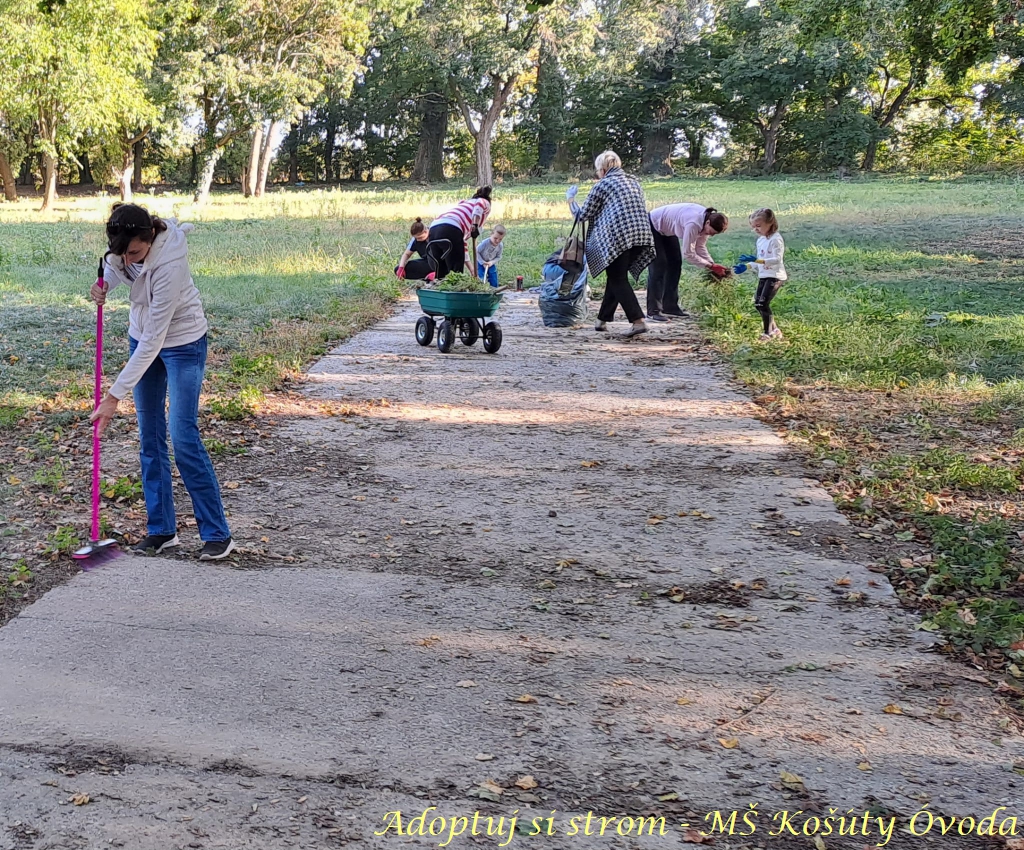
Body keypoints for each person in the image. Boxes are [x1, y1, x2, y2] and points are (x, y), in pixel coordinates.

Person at [89, 203, 236, 561]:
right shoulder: (121, 253)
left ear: (150, 236)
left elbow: (156, 338)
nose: (128, 259)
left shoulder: (171, 262)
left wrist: (113, 396)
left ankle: (217, 533)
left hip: (182, 342)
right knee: (149, 437)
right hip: (142, 338)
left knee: (183, 436)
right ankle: (161, 530)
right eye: (121, 252)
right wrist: (102, 284)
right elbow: (111, 269)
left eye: (135, 252)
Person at [567, 151, 654, 338]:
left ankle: (638, 321)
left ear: (603, 169)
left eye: (598, 170)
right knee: (616, 276)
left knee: (617, 279)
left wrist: (570, 200)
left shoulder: (604, 184)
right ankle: (601, 320)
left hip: (618, 237)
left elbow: (582, 216)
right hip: (641, 235)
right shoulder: (634, 182)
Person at [647, 204, 729, 322]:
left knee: (675, 263)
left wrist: (712, 264)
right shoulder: (694, 223)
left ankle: (670, 306)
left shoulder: (706, 222)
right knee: (659, 266)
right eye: (711, 232)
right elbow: (688, 254)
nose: (711, 235)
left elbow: (700, 247)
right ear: (707, 224)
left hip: (666, 230)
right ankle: (653, 311)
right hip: (653, 224)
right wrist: (710, 266)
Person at [733, 208, 788, 341]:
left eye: (758, 226)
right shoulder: (761, 240)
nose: (756, 230)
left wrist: (757, 260)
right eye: (753, 227)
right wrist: (746, 266)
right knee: (758, 303)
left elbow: (776, 260)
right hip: (764, 275)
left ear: (770, 223)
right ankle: (774, 329)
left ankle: (767, 333)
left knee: (763, 303)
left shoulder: (776, 239)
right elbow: (758, 261)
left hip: (775, 275)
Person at [425, 187, 492, 279]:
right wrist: (475, 225)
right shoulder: (483, 201)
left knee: (441, 270)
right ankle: (455, 291)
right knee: (456, 271)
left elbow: (462, 247)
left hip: (434, 228)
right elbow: (479, 205)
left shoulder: (464, 208)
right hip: (451, 228)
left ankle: (441, 289)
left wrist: (472, 270)